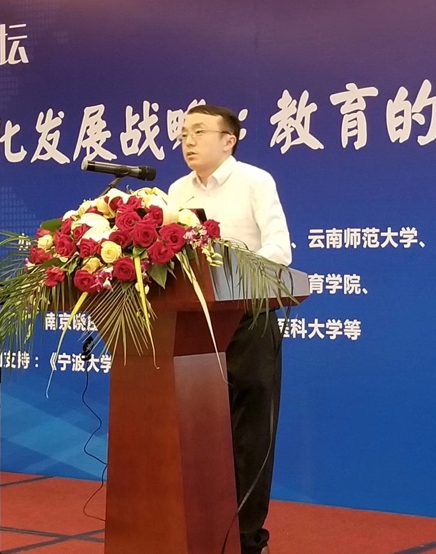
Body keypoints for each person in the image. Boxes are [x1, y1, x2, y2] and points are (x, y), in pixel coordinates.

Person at [167, 104, 291, 554]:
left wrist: (227, 267)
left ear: (228, 140)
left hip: (248, 320)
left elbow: (279, 250)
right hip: (193, 327)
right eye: (184, 132)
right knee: (198, 435)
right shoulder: (177, 191)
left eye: (199, 131)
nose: (188, 140)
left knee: (250, 435)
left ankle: (248, 540)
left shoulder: (255, 181)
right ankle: (200, 533)